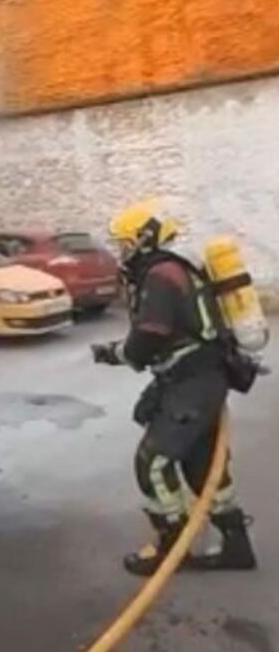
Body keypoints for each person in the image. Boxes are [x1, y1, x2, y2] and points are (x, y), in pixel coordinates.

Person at [91, 200, 257, 576]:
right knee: (202, 465)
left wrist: (114, 354)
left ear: (143, 238)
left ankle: (172, 547)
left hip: (193, 381)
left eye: (125, 244)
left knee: (153, 462)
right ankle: (236, 546)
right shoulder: (176, 268)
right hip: (200, 378)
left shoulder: (160, 275)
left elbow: (149, 336)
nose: (123, 253)